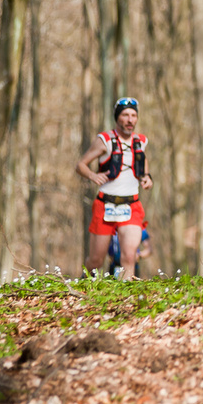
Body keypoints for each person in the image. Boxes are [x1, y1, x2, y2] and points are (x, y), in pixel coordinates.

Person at [76, 97, 153, 280]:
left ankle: (126, 295)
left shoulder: (140, 141)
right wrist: (93, 175)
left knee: (129, 257)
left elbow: (143, 163)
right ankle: (82, 288)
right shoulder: (105, 140)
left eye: (133, 115)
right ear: (117, 117)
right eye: (125, 115)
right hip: (105, 205)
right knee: (96, 260)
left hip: (131, 205)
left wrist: (147, 177)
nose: (130, 120)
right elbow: (80, 165)